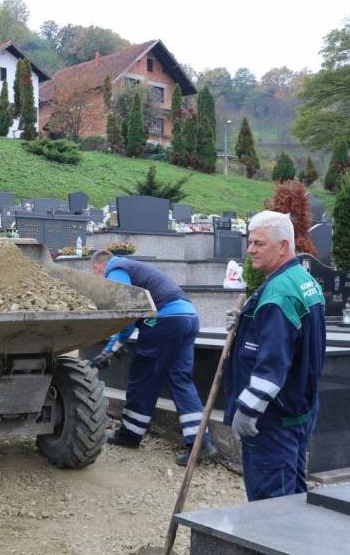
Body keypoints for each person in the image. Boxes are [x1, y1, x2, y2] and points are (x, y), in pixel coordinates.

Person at [225, 211, 325, 501]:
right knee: (293, 495)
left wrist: (248, 409)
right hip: (298, 409)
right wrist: (247, 321)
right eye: (250, 242)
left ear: (283, 246)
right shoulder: (302, 280)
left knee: (271, 507)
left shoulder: (278, 294)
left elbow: (274, 361)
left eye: (259, 244)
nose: (251, 250)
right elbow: (294, 340)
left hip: (272, 420)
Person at [90, 249, 218, 465]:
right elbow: (134, 313)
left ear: (97, 268)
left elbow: (128, 309)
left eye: (96, 277)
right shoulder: (135, 268)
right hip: (188, 317)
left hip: (162, 320)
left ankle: (129, 434)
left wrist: (111, 348)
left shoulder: (115, 269)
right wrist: (116, 344)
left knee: (143, 376)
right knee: (180, 380)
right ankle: (200, 443)